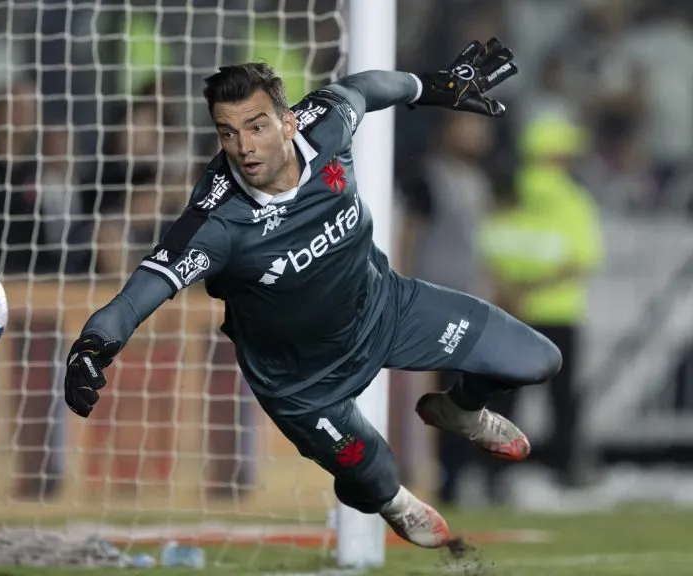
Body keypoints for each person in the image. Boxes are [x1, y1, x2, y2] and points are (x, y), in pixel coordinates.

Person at [62, 39, 561, 549]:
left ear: (288, 122)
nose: (244, 147)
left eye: (256, 127)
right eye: (227, 133)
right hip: (302, 383)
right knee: (376, 480)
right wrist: (93, 345)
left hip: (388, 309)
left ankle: (458, 410)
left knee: (537, 361)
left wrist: (433, 86)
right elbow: (138, 294)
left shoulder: (324, 124)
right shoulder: (216, 222)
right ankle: (390, 499)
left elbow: (364, 89)